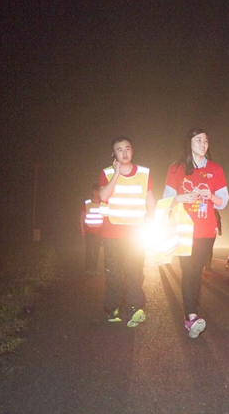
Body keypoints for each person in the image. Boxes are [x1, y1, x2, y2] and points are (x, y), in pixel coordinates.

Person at [164, 128, 229, 338]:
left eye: (206, 140)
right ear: (189, 143)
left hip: (206, 230)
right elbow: (166, 201)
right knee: (189, 271)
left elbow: (223, 201)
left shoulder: (215, 169)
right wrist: (180, 198)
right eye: (198, 140)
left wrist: (211, 196)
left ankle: (191, 310)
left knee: (196, 271)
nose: (203, 144)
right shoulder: (176, 168)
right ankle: (191, 316)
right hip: (183, 229)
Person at [99, 137, 155, 328]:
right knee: (113, 273)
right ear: (114, 154)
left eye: (127, 148)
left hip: (135, 233)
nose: (124, 153)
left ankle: (135, 308)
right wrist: (116, 174)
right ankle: (113, 308)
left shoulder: (144, 173)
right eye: (119, 149)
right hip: (112, 234)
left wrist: (151, 218)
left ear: (132, 151)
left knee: (134, 271)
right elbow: (103, 196)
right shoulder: (107, 173)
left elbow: (150, 199)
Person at [80, 183, 104, 276]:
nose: (96, 193)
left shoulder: (103, 203)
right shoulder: (87, 203)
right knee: (89, 250)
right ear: (92, 192)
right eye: (95, 191)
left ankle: (95, 269)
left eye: (98, 191)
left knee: (97, 250)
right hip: (89, 230)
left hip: (99, 231)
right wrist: (82, 228)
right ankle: (88, 269)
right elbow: (82, 216)